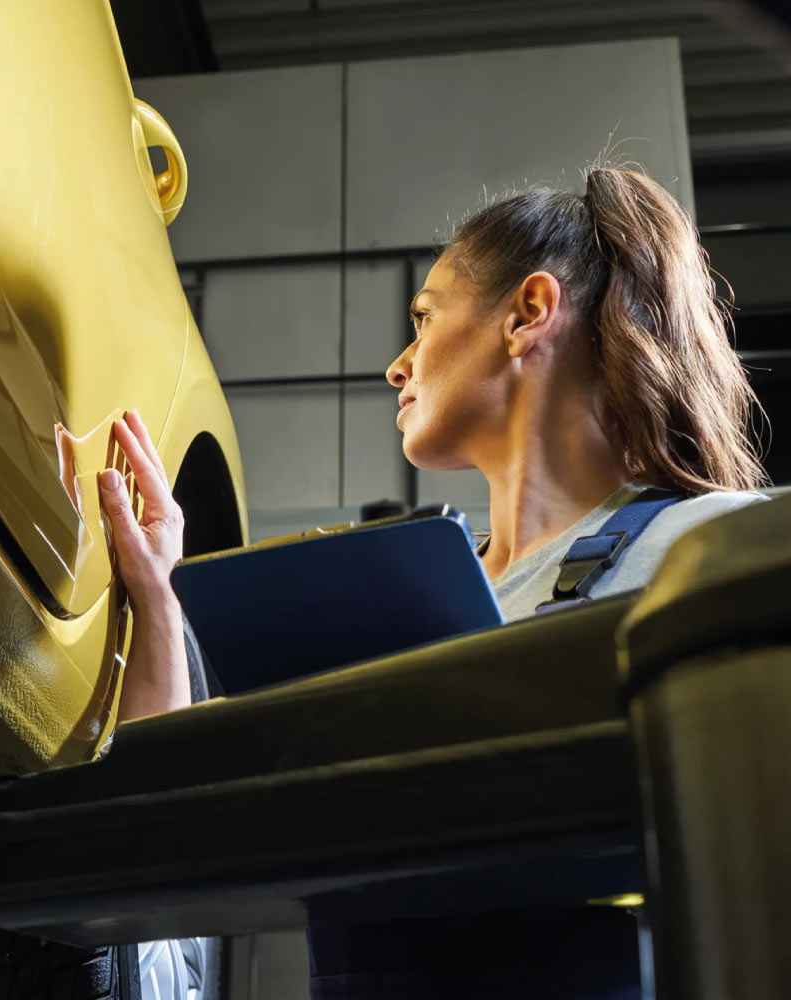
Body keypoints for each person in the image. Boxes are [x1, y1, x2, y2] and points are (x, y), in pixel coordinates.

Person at [96, 164, 770, 996]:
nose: (398, 364)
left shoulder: (719, 547)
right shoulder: (386, 602)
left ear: (528, 316)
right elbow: (168, 848)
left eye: (424, 319)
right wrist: (158, 596)